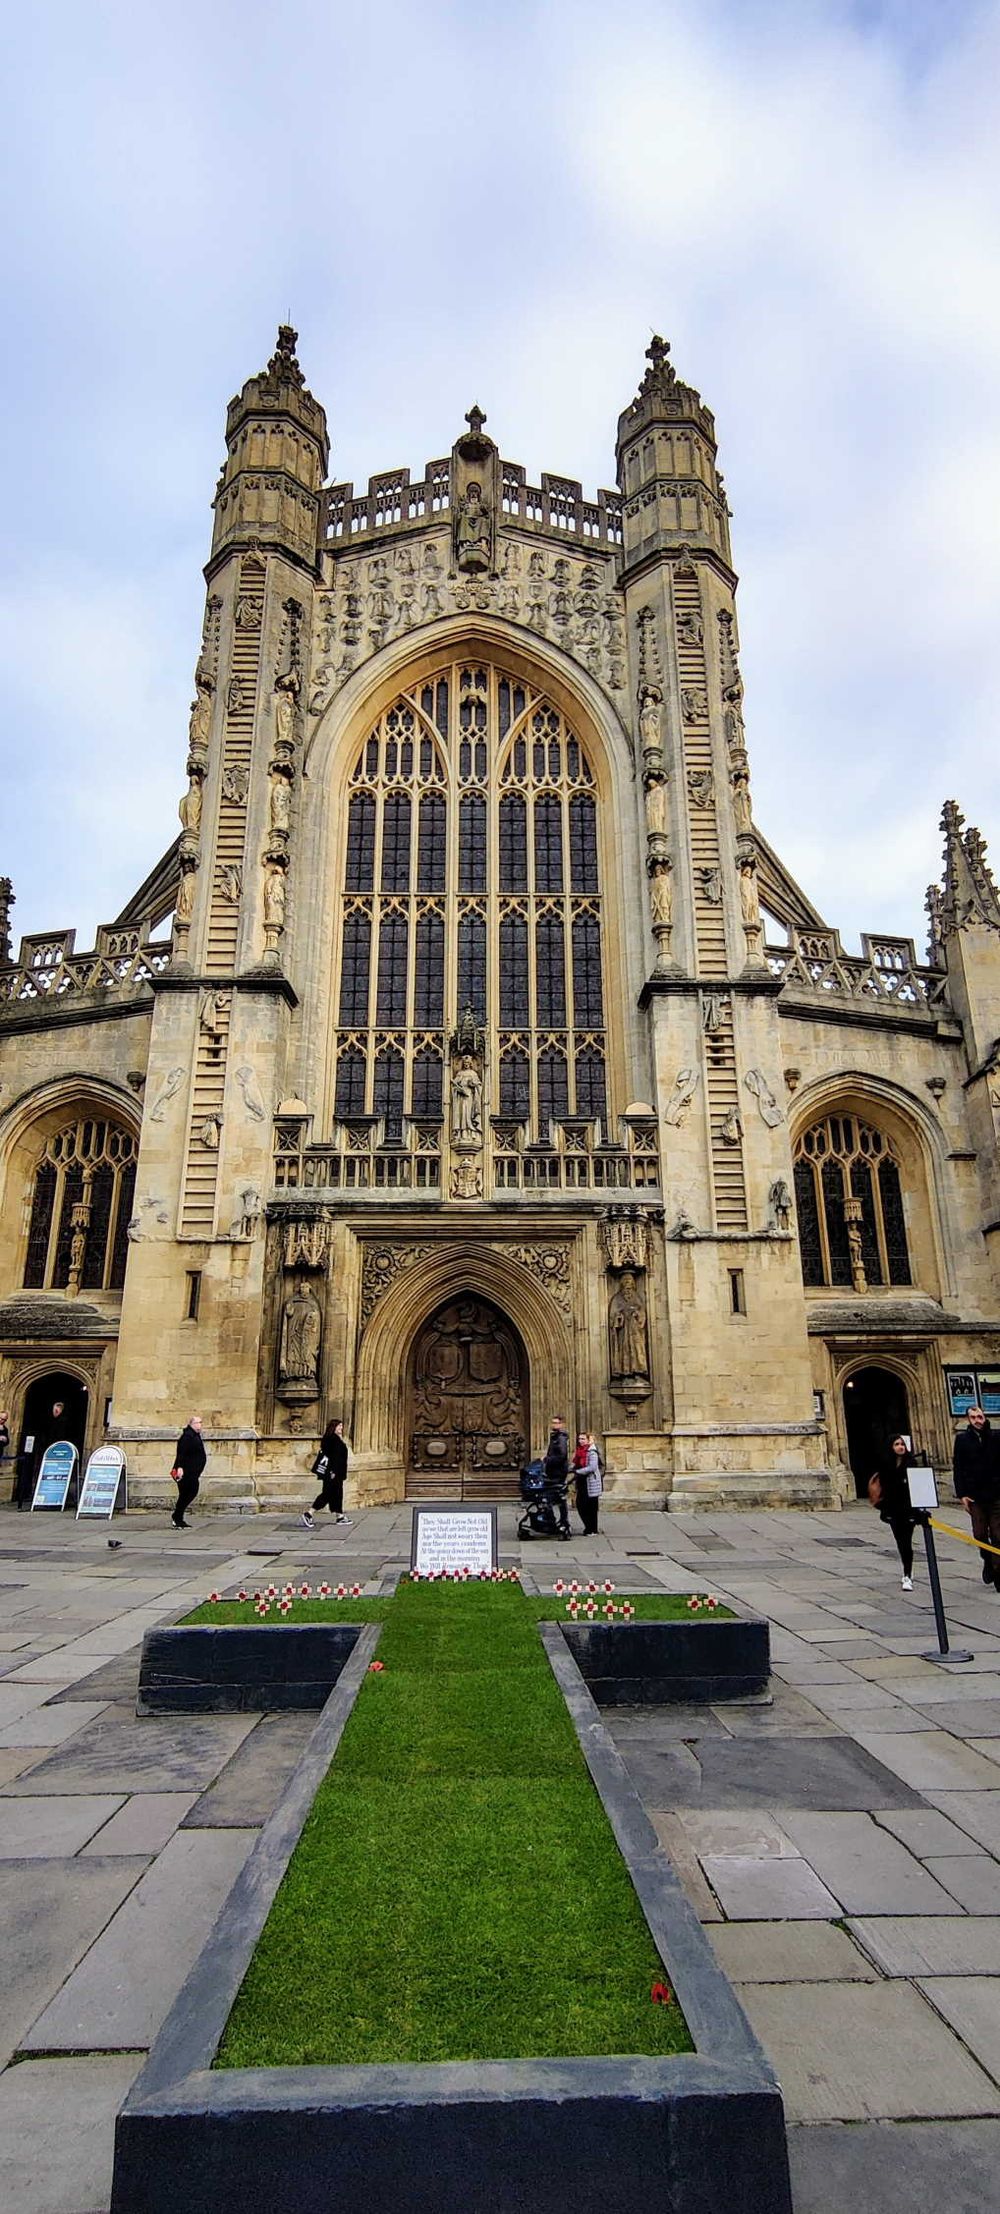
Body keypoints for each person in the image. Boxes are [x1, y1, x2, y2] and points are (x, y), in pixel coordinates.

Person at [953, 1403, 1000, 1591]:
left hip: (996, 1493)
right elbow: (958, 1467)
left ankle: (998, 1573)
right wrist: (962, 1493)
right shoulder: (963, 1440)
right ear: (968, 1420)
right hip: (975, 1496)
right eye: (973, 1418)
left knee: (998, 1535)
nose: (977, 1421)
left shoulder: (996, 1437)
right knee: (980, 1534)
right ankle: (988, 1560)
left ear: (984, 1417)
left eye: (979, 1417)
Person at [868, 1434, 917, 1590]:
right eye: (897, 1444)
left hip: (909, 1508)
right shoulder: (885, 1464)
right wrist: (884, 1509)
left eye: (902, 1444)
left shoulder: (911, 1462)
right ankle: (906, 1571)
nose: (900, 1447)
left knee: (906, 1542)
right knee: (900, 1540)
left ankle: (907, 1574)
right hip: (893, 1509)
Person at [301, 1418, 351, 1528]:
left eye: (341, 1426)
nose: (341, 1428)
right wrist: (333, 1471)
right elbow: (334, 1458)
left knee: (337, 1494)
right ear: (334, 1427)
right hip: (333, 1473)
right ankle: (309, 1513)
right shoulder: (333, 1440)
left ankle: (340, 1516)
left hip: (336, 1472)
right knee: (327, 1494)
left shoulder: (332, 1439)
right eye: (339, 1426)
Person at [170, 1414, 206, 1530]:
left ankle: (178, 1517)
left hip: (193, 1471)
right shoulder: (187, 1437)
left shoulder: (195, 1435)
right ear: (192, 1424)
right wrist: (180, 1467)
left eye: (201, 1422)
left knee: (188, 1493)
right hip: (186, 1472)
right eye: (198, 1423)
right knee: (188, 1493)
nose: (200, 1425)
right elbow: (181, 1453)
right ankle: (177, 1517)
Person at [543, 1417, 571, 1537]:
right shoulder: (556, 1436)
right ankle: (558, 1521)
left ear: (562, 1424)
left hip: (557, 1473)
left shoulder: (561, 1438)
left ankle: (559, 1522)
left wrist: (547, 1460)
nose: (554, 1424)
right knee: (557, 1498)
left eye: (557, 1422)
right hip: (554, 1471)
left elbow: (562, 1455)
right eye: (553, 1422)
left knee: (554, 1497)